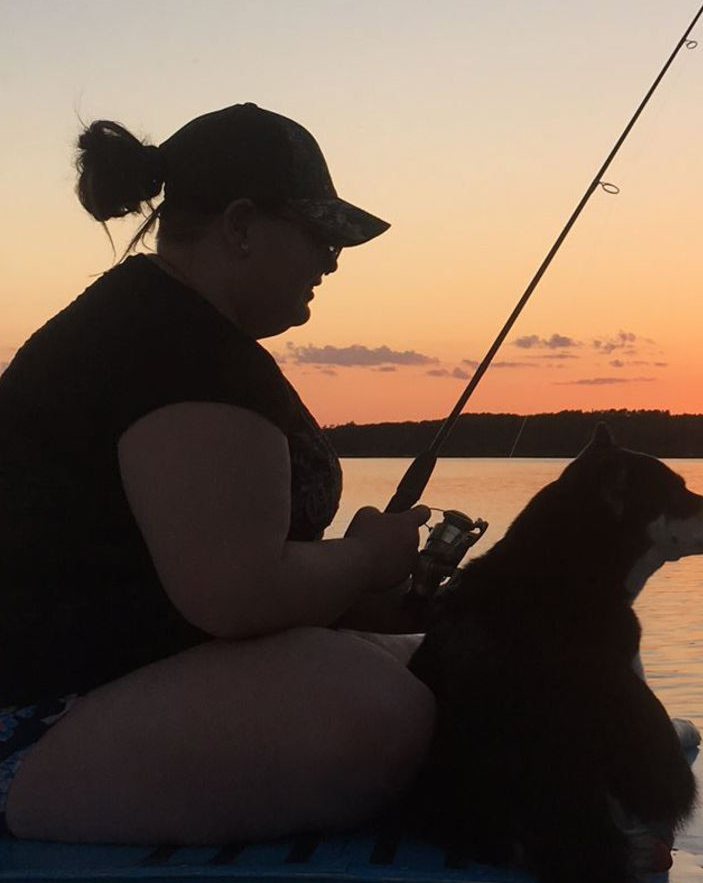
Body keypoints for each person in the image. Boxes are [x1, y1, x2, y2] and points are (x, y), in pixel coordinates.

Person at [0, 103, 436, 844]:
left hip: (110, 691)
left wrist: (365, 590)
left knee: (433, 657)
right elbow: (236, 593)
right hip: (35, 727)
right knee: (371, 708)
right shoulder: (177, 348)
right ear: (240, 224)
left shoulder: (159, 324)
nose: (332, 260)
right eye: (319, 235)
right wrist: (363, 559)